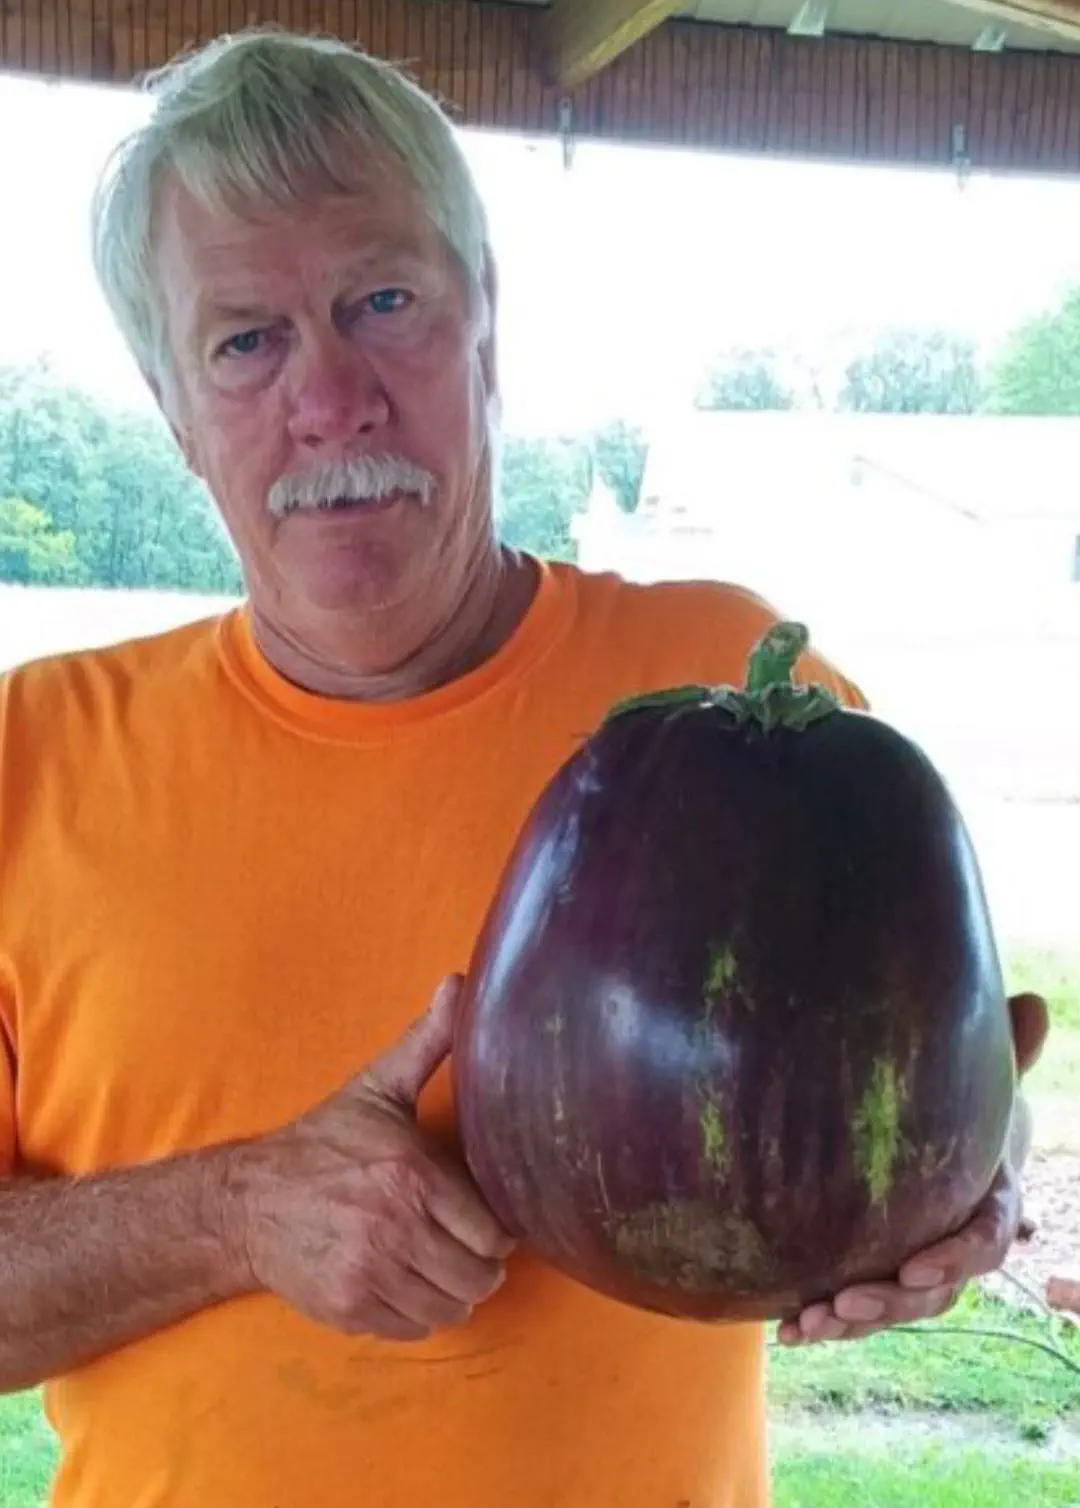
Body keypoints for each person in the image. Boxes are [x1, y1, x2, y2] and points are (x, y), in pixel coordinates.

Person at [0, 27, 1048, 1508]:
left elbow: (933, 1064)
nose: (334, 396)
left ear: (486, 322)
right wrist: (236, 1213)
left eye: (385, 300)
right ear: (173, 410)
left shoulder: (751, 698)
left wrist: (966, 1183)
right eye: (246, 339)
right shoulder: (29, 759)